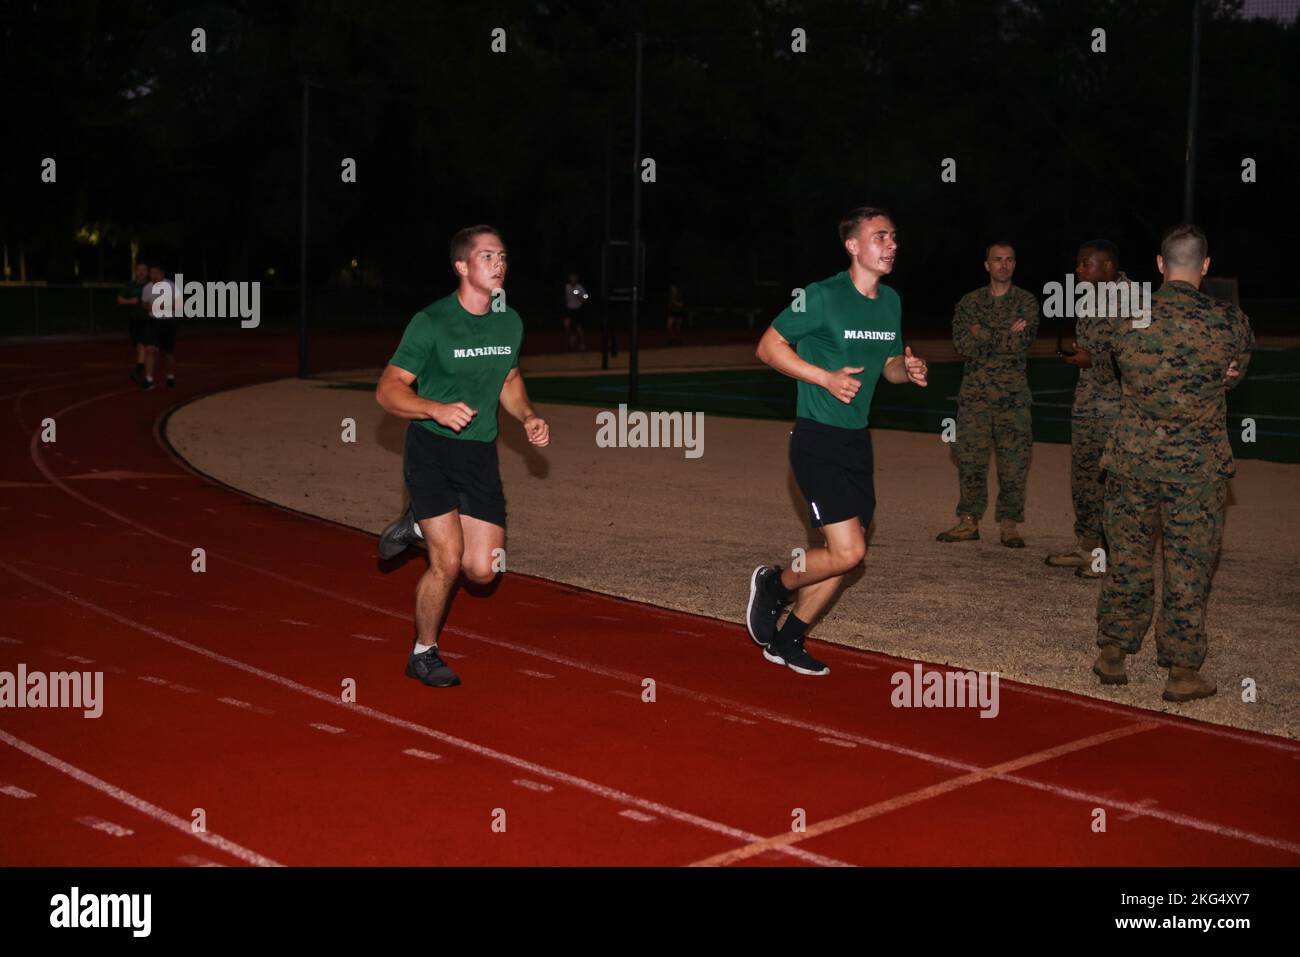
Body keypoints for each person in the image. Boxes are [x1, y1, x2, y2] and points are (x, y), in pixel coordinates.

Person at [745, 207, 928, 676]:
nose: (891, 245)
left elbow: (887, 364)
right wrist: (823, 377)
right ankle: (775, 587)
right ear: (853, 245)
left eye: (894, 237)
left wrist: (904, 371)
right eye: (879, 236)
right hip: (816, 438)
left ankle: (787, 641)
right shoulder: (820, 296)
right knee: (850, 552)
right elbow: (768, 347)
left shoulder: (891, 302)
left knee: (844, 558)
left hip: (857, 442)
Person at [374, 225, 550, 688]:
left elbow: (509, 380)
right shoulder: (431, 321)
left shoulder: (509, 321)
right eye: (488, 257)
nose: (499, 264)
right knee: (448, 561)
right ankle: (423, 653)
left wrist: (527, 415)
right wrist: (434, 407)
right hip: (430, 448)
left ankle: (413, 522)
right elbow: (388, 390)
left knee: (484, 571)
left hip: (479, 455)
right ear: (461, 267)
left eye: (503, 257)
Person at [1089, 224, 1253, 702]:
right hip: (1196, 469)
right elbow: (1231, 376)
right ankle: (1182, 671)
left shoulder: (1126, 316)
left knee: (1127, 560)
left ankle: (1114, 652)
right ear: (1205, 266)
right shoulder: (1230, 321)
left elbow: (1107, 368)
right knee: (1189, 566)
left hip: (1132, 462)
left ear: (1160, 265)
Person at [935, 242, 1039, 547]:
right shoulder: (970, 302)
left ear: (1014, 264)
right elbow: (961, 344)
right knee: (969, 460)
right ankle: (968, 521)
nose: (1004, 265)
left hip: (1014, 398)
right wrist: (1004, 335)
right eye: (998, 260)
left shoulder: (1026, 302)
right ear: (987, 265)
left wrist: (981, 333)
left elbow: (1021, 344)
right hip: (975, 397)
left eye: (1009, 260)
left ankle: (1009, 525)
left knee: (1015, 463)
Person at [1045, 240, 1126, 576]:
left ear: (1106, 266)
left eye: (1085, 264)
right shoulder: (1090, 297)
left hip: (1116, 408)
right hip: (1088, 403)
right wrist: (1084, 357)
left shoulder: (1133, 300)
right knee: (1084, 478)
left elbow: (1137, 359)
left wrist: (1096, 361)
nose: (1078, 270)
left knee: (1111, 482)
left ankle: (1109, 556)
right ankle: (1087, 547)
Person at [139, 264, 180, 390]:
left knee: (167, 353)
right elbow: (145, 305)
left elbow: (178, 305)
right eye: (151, 273)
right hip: (153, 321)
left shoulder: (171, 286)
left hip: (168, 322)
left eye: (156, 273)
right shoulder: (147, 288)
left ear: (162, 274)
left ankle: (170, 376)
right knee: (150, 349)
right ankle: (149, 379)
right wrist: (151, 308)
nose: (154, 276)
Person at [119, 261, 150, 384]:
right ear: (135, 272)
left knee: (144, 346)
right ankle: (142, 370)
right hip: (134, 320)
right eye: (139, 270)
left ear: (147, 272)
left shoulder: (151, 286)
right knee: (139, 347)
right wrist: (130, 301)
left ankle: (140, 370)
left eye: (144, 270)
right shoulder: (130, 286)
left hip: (148, 320)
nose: (141, 273)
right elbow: (120, 299)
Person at [562, 272, 588, 351]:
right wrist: (566, 299)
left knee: (578, 328)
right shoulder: (567, 286)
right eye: (571, 277)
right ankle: (572, 336)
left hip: (577, 309)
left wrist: (580, 296)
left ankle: (582, 343)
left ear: (576, 279)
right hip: (569, 309)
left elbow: (586, 296)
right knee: (566, 324)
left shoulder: (580, 287)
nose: (573, 279)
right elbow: (566, 296)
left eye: (574, 278)